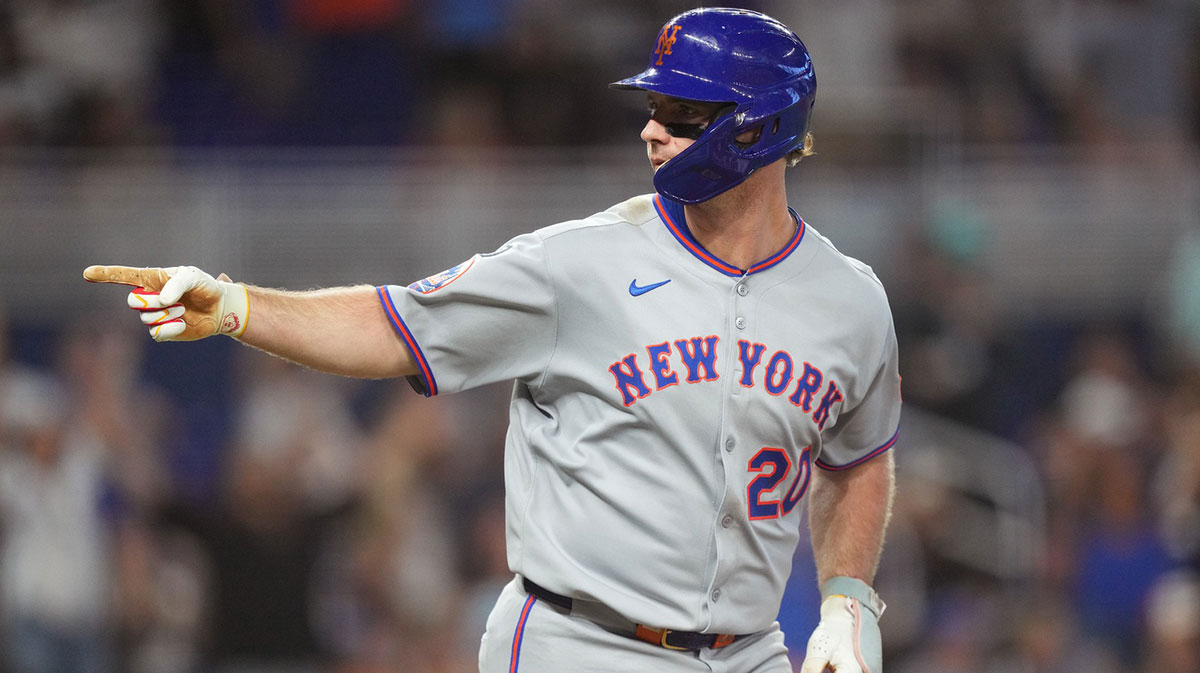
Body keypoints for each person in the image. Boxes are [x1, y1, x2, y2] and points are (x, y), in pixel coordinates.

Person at [85, 8, 901, 673]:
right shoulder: (576, 264)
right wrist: (235, 305)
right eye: (653, 110)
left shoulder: (850, 302)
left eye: (681, 115)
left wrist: (847, 599)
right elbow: (394, 326)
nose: (652, 133)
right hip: (580, 645)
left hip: (752, 652)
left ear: (760, 130)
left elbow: (858, 457)